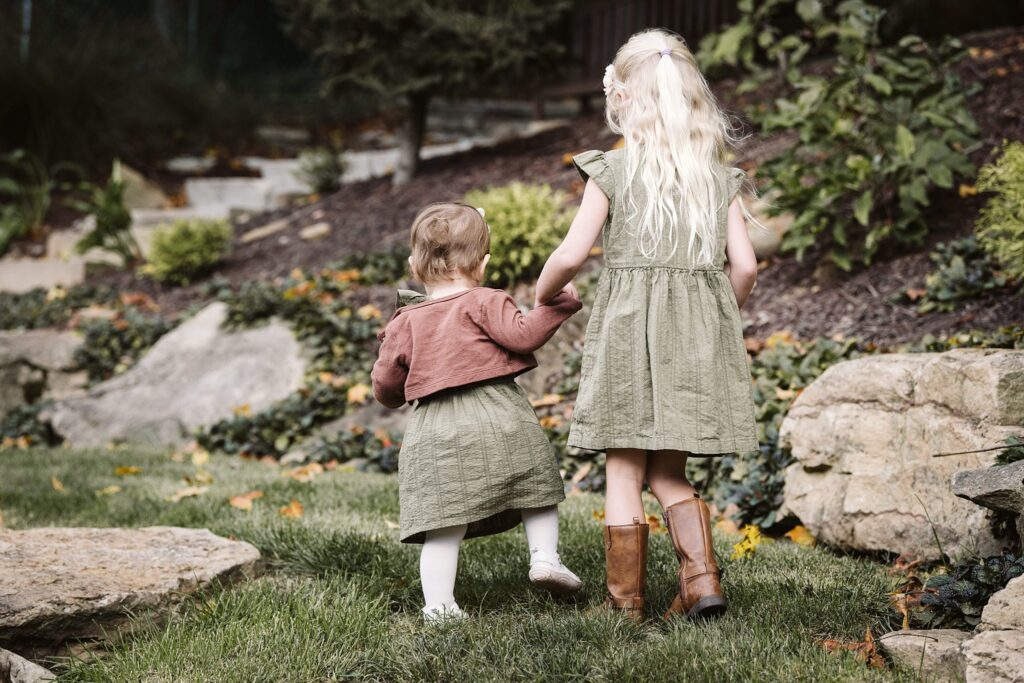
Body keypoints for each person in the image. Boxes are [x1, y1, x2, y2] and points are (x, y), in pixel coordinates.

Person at [534, 29, 759, 621]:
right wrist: (718, 317)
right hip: (695, 338)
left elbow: (572, 253)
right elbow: (746, 265)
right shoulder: (717, 177)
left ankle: (624, 604)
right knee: (669, 470)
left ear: (624, 99)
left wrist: (543, 291)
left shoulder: (614, 170)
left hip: (629, 337)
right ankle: (702, 581)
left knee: (624, 467)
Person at [372, 202, 584, 623]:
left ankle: (439, 606)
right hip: (499, 415)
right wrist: (556, 307)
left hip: (436, 432)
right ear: (483, 263)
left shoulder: (405, 321)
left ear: (414, 264)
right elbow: (523, 336)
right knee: (535, 491)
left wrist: (393, 392)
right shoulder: (487, 300)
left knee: (442, 522)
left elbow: (386, 385)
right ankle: (544, 558)